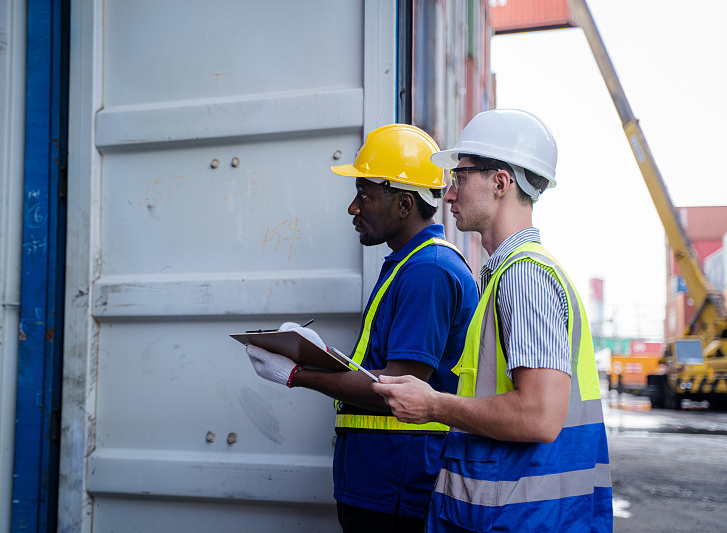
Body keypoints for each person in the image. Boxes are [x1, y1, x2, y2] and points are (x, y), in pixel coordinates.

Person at [372, 109, 613, 532]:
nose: (448, 195)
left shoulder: (523, 276)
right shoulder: (513, 274)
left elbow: (539, 415)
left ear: (500, 182)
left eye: (460, 178)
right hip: (521, 515)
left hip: (522, 519)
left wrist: (433, 404)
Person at [244, 124, 479, 532]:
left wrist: (298, 374)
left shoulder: (429, 271)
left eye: (364, 196)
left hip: (397, 488)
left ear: (404, 203)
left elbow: (400, 389)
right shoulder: (412, 263)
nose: (353, 208)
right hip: (382, 481)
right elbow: (386, 369)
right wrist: (318, 353)